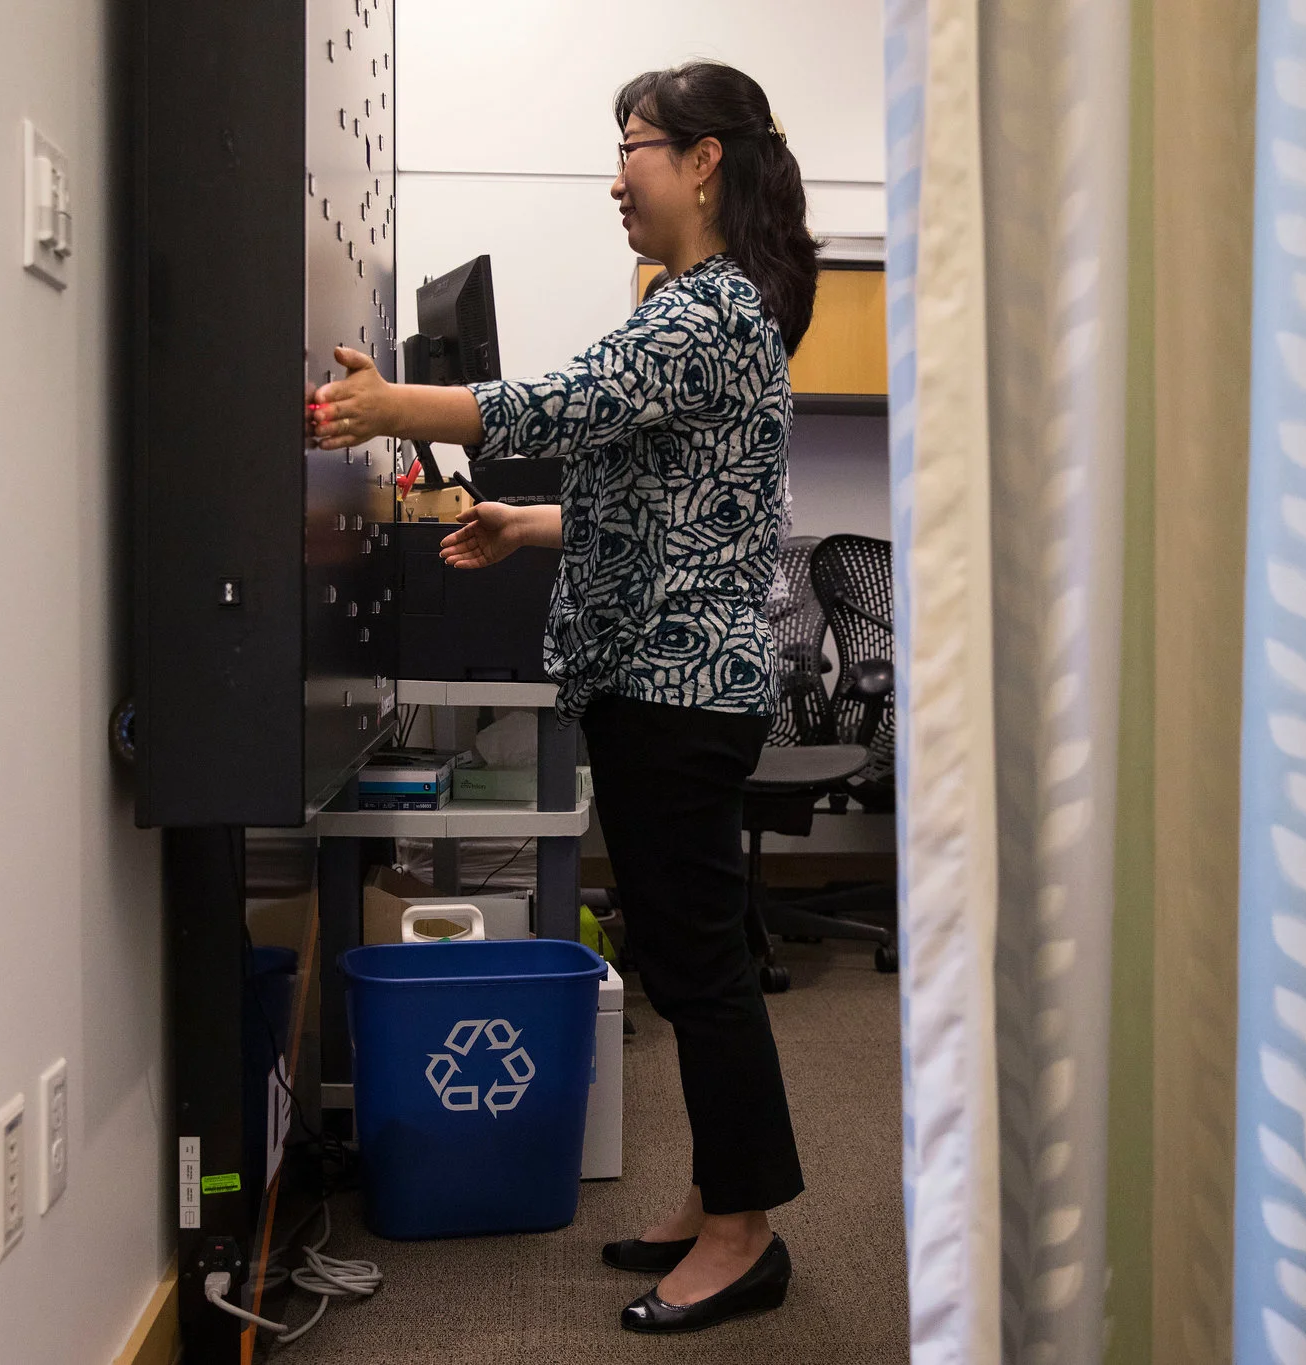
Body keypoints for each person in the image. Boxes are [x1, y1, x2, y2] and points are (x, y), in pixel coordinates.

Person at [308, 59, 818, 1335]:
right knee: (682, 959)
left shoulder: (706, 312)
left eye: (633, 148)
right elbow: (677, 505)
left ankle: (744, 1236)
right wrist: (530, 526)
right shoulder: (700, 305)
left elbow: (561, 405)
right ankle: (715, 1198)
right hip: (662, 680)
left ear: (702, 160)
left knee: (699, 969)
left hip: (677, 690)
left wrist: (387, 405)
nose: (616, 178)